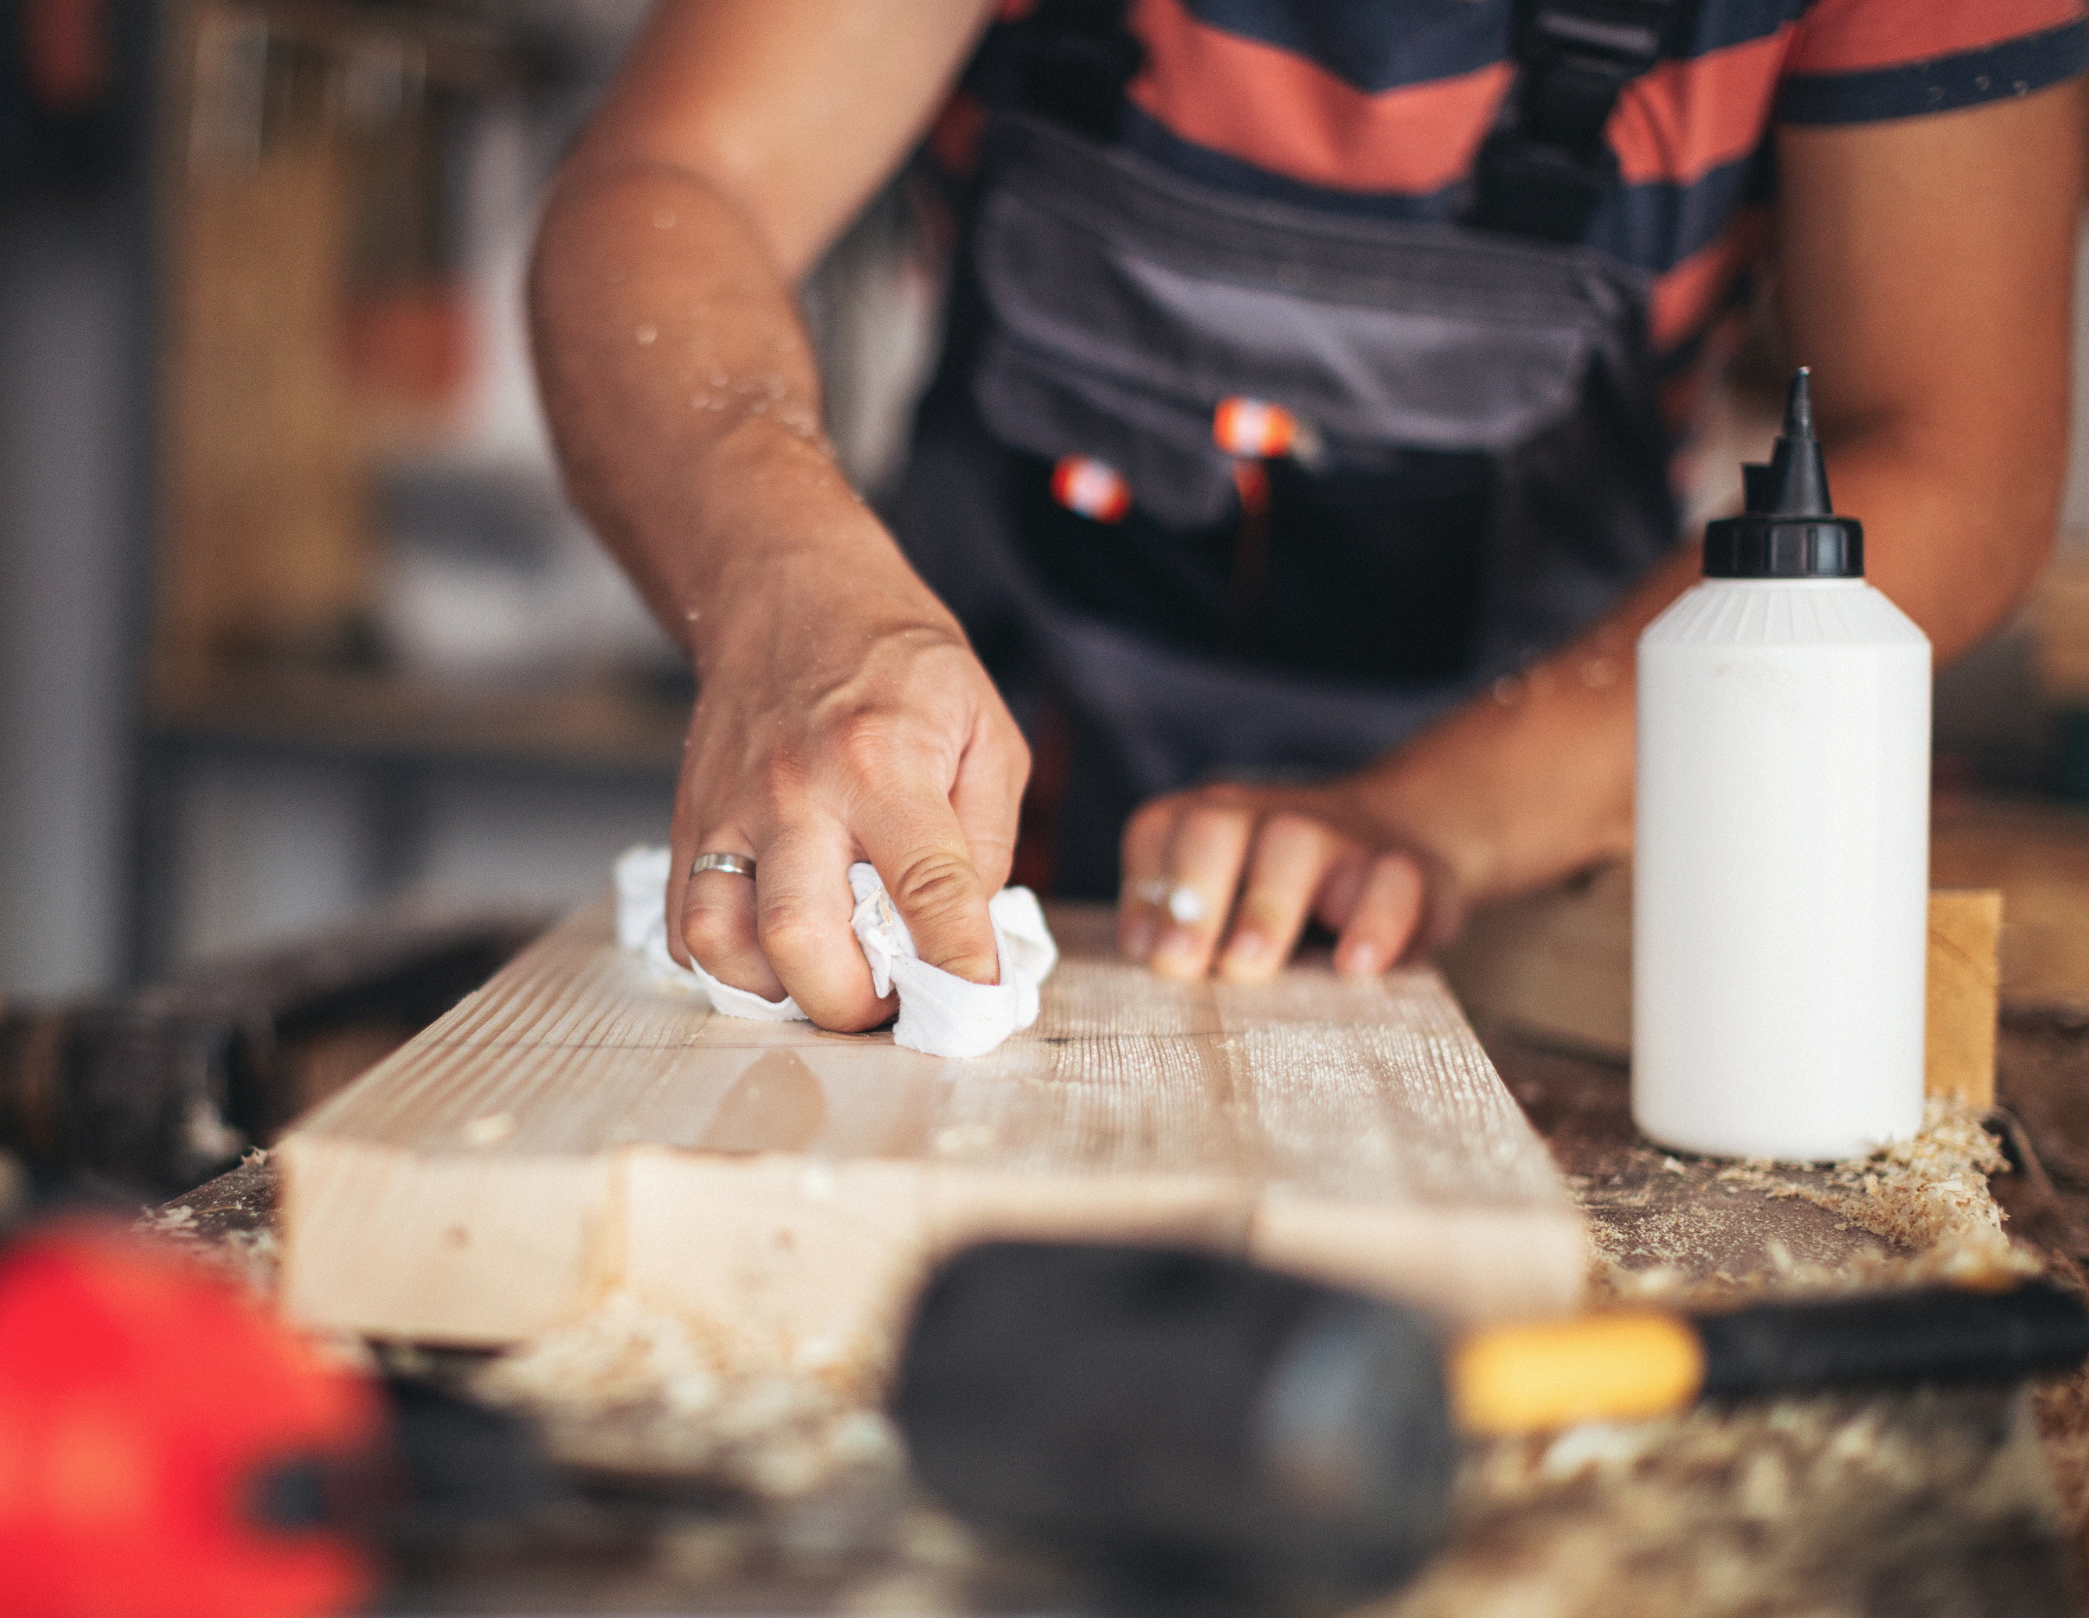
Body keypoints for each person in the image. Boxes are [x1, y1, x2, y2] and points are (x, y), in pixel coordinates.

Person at [530, 0, 2084, 1032]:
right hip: (970, 856)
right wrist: (793, 593)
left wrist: (1437, 820)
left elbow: (1951, 462)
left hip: (1528, 931)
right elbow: (670, 184)